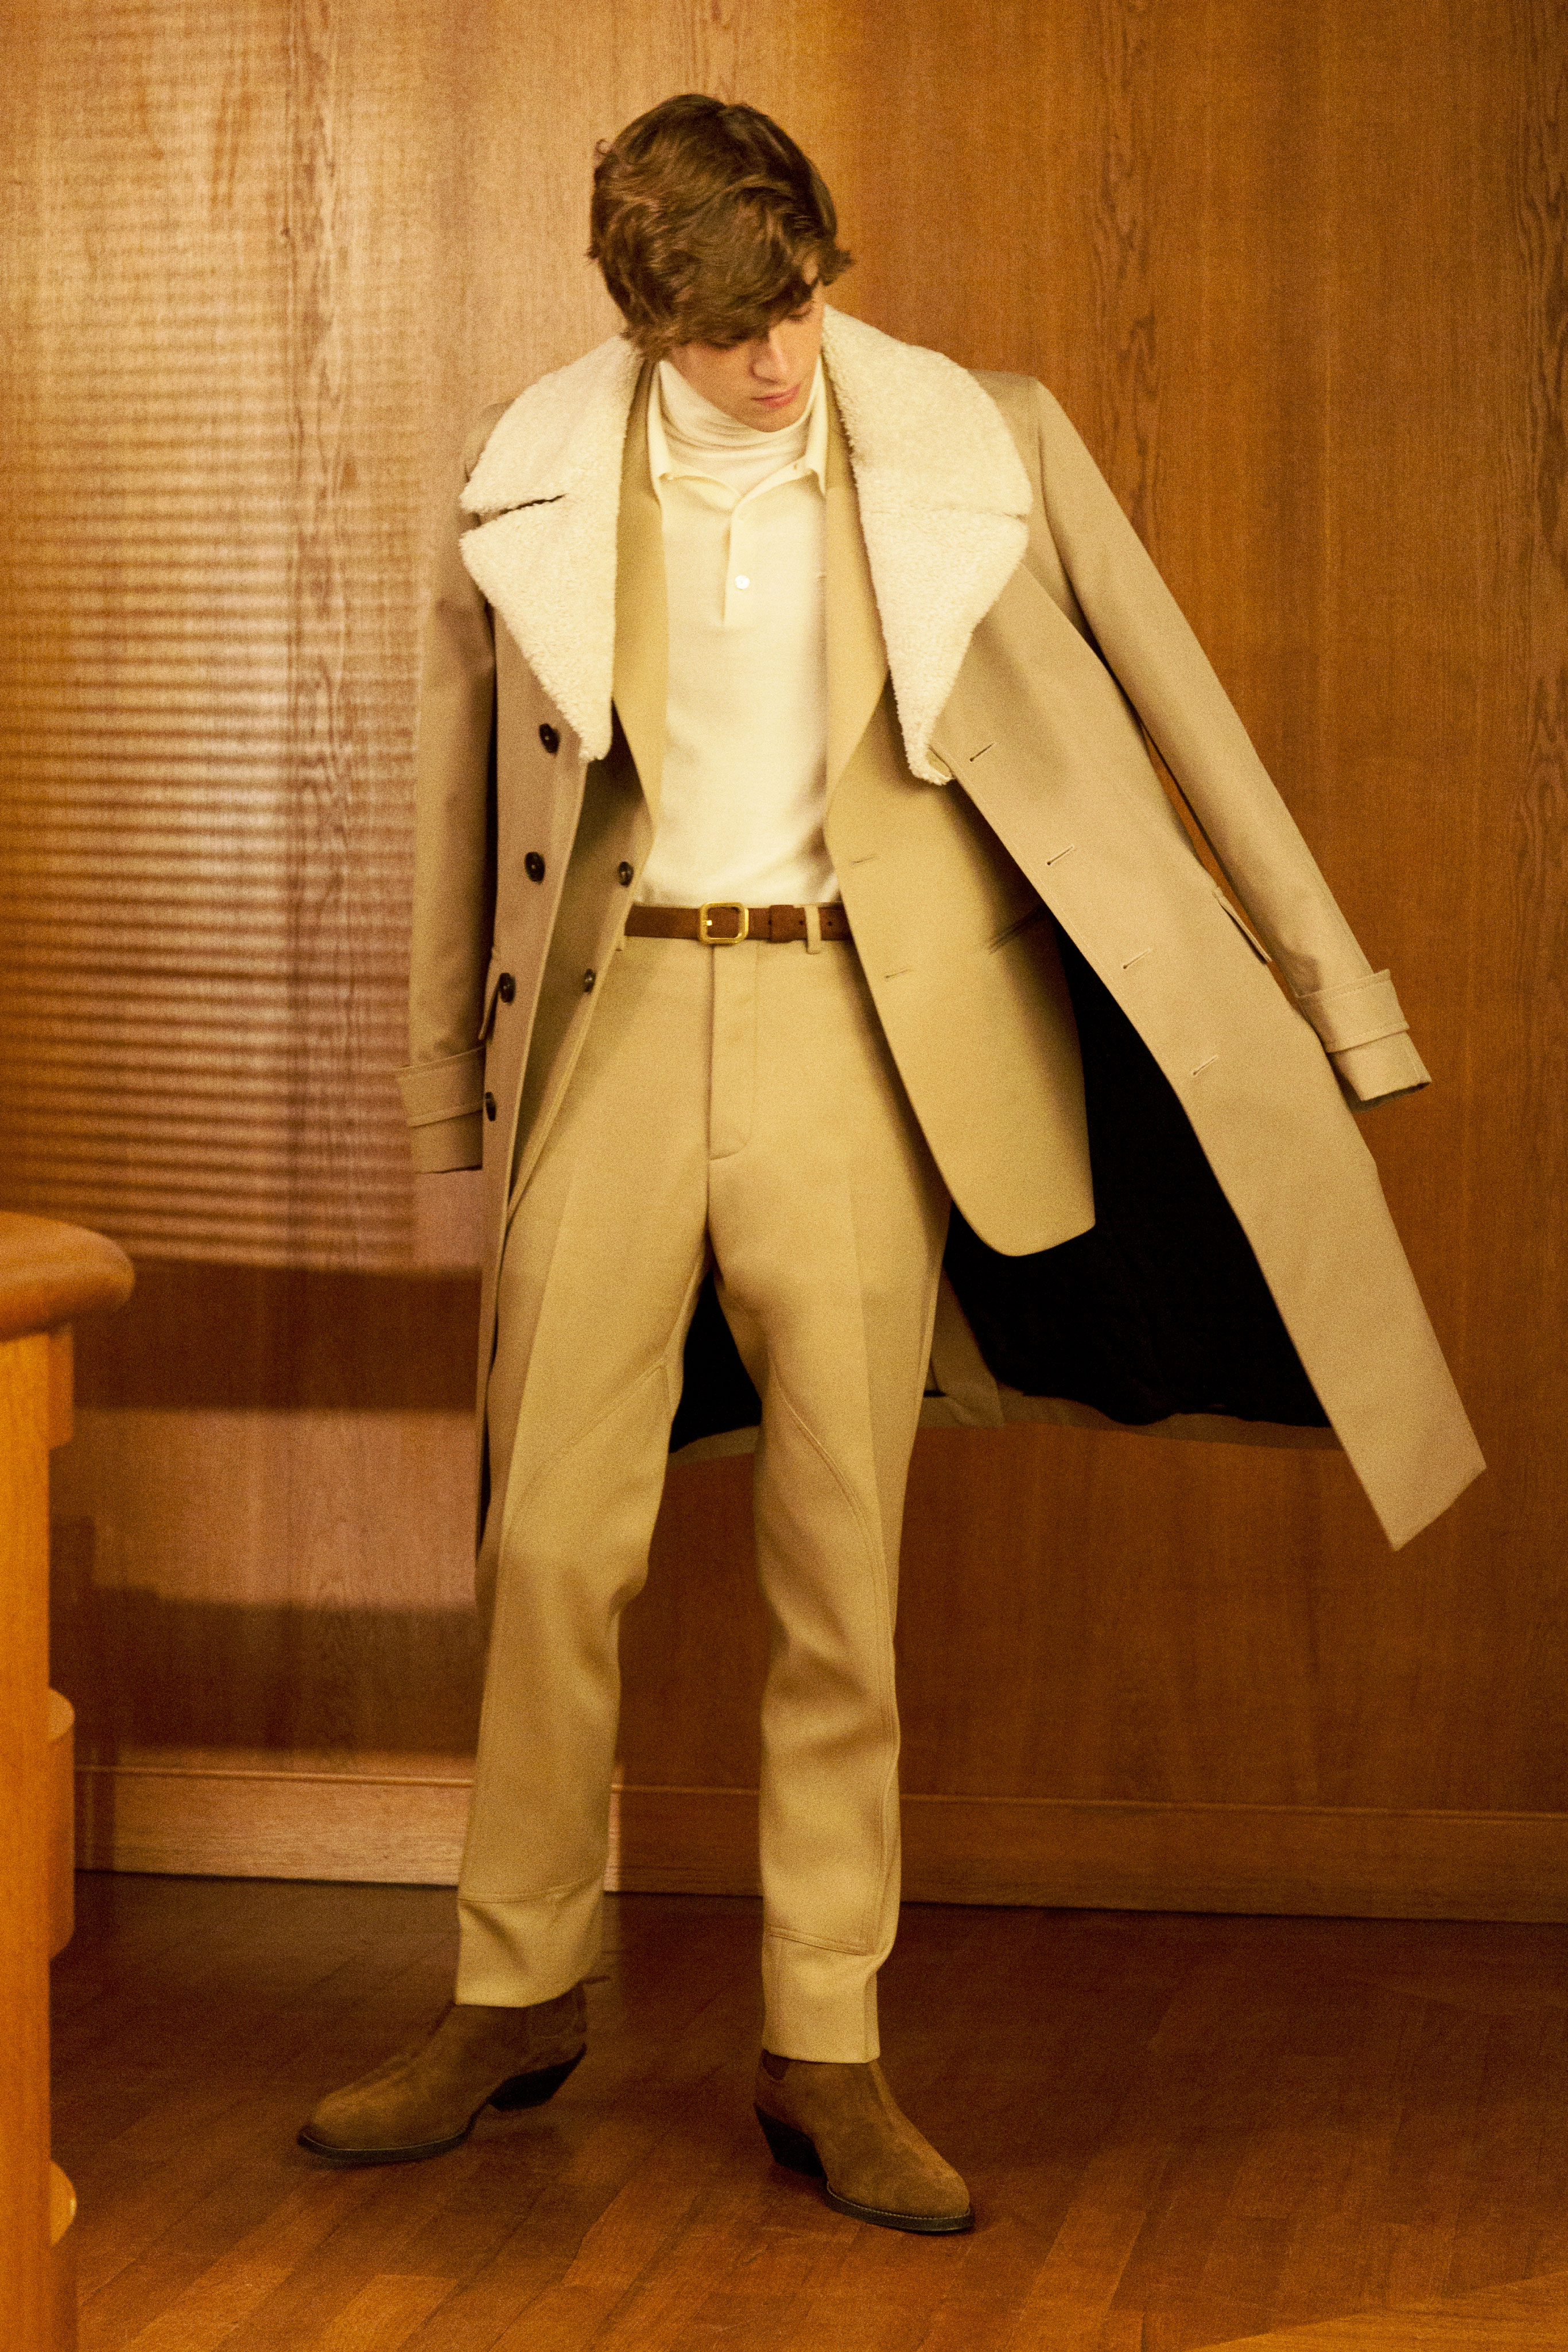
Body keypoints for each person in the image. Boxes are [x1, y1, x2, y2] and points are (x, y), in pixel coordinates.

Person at [297, 94, 1481, 2230]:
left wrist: (1339, 1001)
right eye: (731, 328)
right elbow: (462, 796)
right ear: (644, 318)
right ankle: (511, 1992)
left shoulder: (975, 439)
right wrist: (436, 1087)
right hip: (613, 1033)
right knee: (545, 1545)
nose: (782, 357)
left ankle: (823, 2042)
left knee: (838, 1560)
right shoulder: (527, 464)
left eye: (802, 301)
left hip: (865, 1033)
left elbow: (1186, 711)